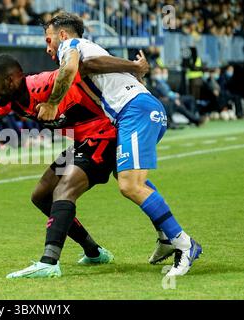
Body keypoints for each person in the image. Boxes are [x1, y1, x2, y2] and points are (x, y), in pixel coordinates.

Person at [38, 13, 202, 277]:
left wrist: (52, 103)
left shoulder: (71, 46)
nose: (48, 48)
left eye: (49, 40)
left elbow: (70, 70)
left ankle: (184, 243)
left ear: (63, 35)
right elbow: (91, 65)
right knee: (125, 175)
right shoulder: (89, 52)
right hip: (137, 112)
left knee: (129, 185)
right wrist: (133, 67)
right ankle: (164, 237)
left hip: (135, 112)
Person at [0, 54, 117, 278]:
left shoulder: (44, 84)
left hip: (104, 136)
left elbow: (78, 70)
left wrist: (133, 68)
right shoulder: (9, 99)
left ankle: (49, 262)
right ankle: (94, 252)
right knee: (41, 195)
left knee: (63, 190)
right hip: (82, 142)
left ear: (10, 80)